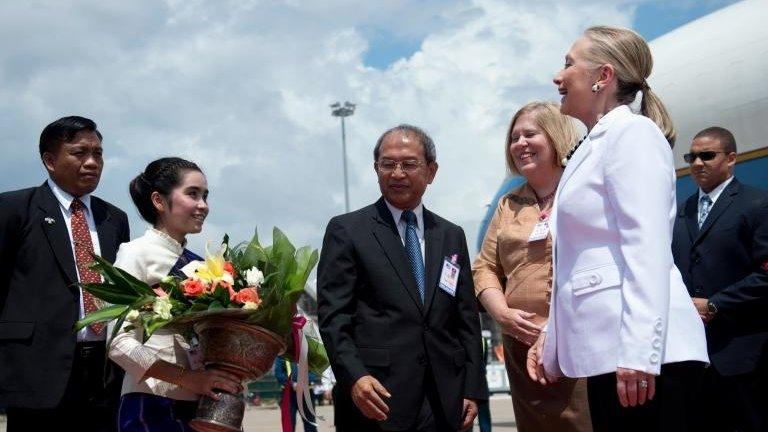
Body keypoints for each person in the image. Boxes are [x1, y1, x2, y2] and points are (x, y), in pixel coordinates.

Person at [527, 26, 709, 431]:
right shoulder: (592, 146)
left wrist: (640, 351)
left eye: (569, 64)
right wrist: (551, 338)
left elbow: (646, 248)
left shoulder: (633, 134)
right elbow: (577, 260)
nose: (558, 77)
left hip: (647, 360)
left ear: (603, 77)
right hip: (616, 355)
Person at [318, 124, 488, 432]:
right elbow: (333, 317)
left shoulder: (451, 235)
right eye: (387, 164)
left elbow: (466, 319)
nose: (397, 173)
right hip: (377, 398)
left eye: (409, 164)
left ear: (431, 171)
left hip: (444, 400)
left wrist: (472, 389)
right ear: (376, 169)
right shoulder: (347, 231)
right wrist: (355, 377)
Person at [0, 116, 130, 431]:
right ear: (49, 160)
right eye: (79, 153)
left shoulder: (114, 218)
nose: (92, 162)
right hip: (37, 371)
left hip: (104, 372)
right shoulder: (15, 209)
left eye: (98, 154)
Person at [473, 102, 592, 431]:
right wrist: (503, 314)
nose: (520, 143)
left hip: (578, 341)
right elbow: (484, 268)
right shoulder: (508, 204)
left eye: (530, 134)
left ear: (555, 136)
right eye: (514, 138)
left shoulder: (583, 191)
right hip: (519, 342)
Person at [108, 157, 242, 431]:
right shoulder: (136, 253)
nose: (203, 205)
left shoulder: (203, 265)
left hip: (204, 404)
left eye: (205, 195)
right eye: (192, 194)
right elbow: (117, 342)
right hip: (152, 403)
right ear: (159, 201)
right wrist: (187, 378)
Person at [672, 126, 768, 431]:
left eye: (707, 155)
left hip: (744, 356)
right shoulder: (681, 212)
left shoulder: (757, 205)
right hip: (692, 358)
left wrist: (715, 305)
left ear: (731, 159)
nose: (698, 163)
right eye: (692, 157)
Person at [274, 355, 317, 432]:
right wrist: (292, 384)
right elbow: (278, 374)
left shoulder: (309, 352)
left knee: (310, 424)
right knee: (289, 423)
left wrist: (303, 382)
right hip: (289, 395)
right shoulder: (282, 355)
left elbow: (315, 372)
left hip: (306, 394)